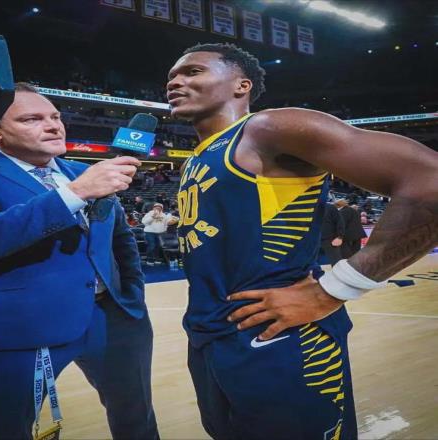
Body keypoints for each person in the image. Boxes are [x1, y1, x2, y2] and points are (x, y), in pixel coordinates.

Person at [166, 43, 438, 439]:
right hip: (210, 333)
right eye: (172, 76)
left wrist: (336, 288)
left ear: (242, 85)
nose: (175, 81)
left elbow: (430, 180)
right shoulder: (196, 158)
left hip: (283, 334)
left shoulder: (267, 128)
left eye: (192, 71)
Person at [0, 83, 158, 440]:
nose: (53, 126)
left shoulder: (81, 170)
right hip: (18, 326)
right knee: (7, 428)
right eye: (32, 119)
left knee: (136, 417)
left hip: (112, 318)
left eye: (55, 117)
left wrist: (131, 293)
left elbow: (120, 240)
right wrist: (72, 195)